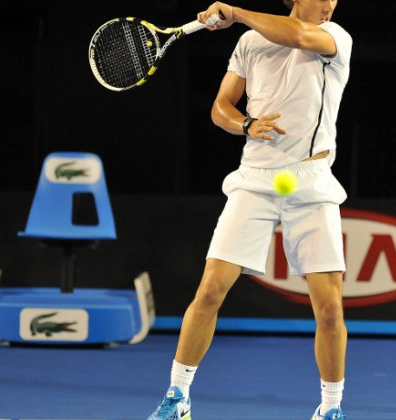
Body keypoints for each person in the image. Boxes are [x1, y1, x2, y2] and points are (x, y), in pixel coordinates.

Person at [147, 1, 351, 419]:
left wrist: (236, 11)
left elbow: (296, 34)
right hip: (257, 179)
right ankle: (177, 398)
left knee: (329, 308)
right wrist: (244, 124)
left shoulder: (336, 37)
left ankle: (330, 409)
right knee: (209, 291)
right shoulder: (249, 43)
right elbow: (221, 107)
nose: (330, 3)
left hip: (311, 182)